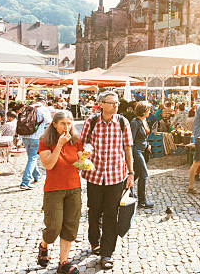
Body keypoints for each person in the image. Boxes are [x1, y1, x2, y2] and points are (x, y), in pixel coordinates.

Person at [80, 91, 134, 271]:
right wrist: (85, 154)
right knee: (94, 211)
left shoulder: (122, 122)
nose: (115, 106)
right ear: (101, 104)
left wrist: (131, 173)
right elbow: (82, 144)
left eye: (117, 103)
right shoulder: (91, 122)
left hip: (116, 176)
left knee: (111, 214)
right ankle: (94, 241)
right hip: (94, 176)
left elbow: (127, 148)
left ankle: (106, 253)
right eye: (111, 103)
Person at [37, 110, 84, 273]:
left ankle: (63, 262)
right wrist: (59, 144)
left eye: (69, 123)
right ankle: (44, 245)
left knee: (71, 225)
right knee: (53, 227)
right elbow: (48, 165)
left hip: (74, 187)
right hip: (54, 189)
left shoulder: (76, 139)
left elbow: (80, 161)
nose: (67, 127)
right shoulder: (45, 140)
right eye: (63, 123)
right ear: (54, 124)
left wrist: (85, 158)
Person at [19, 96, 53, 190]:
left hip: (24, 136)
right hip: (36, 137)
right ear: (44, 102)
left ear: (36, 100)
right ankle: (25, 182)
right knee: (33, 158)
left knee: (31, 158)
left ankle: (37, 176)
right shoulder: (43, 109)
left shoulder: (28, 107)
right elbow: (49, 122)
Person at [130, 101, 154, 209]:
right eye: (148, 110)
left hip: (143, 150)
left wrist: (147, 144)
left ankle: (126, 192)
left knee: (137, 174)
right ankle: (142, 201)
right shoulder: (134, 123)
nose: (150, 111)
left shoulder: (144, 121)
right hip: (137, 151)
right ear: (144, 111)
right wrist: (130, 156)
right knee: (144, 174)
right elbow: (131, 140)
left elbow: (145, 136)